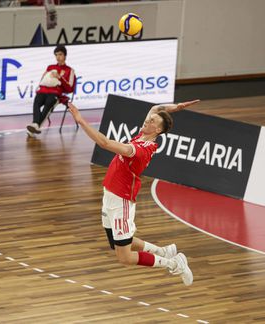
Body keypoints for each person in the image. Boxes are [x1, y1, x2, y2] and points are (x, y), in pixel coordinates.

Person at [67, 99, 200, 286]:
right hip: (110, 195)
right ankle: (163, 252)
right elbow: (155, 108)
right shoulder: (143, 135)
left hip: (121, 201)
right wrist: (174, 108)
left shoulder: (140, 150)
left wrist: (80, 120)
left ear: (158, 131)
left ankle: (174, 264)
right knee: (118, 242)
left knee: (125, 257)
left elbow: (104, 143)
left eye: (153, 122)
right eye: (150, 119)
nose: (148, 121)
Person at [27, 45, 76, 137]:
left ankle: (35, 125)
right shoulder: (50, 67)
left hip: (55, 93)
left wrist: (60, 78)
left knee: (48, 105)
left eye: (60, 54)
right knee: (37, 101)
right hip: (43, 90)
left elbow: (70, 88)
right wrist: (39, 88)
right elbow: (43, 79)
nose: (58, 57)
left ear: (65, 56)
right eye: (56, 55)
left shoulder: (70, 70)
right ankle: (35, 125)